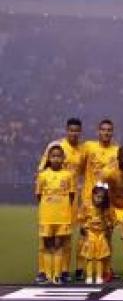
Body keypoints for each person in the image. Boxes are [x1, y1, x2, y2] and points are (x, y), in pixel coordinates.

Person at [36, 118, 84, 283]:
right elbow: (42, 169)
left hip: (70, 199)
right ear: (67, 130)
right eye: (71, 130)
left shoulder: (81, 150)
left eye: (77, 131)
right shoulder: (56, 146)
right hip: (52, 197)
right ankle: (43, 271)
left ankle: (63, 271)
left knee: (66, 239)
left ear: (80, 132)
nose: (74, 133)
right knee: (47, 239)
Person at [78, 119, 119, 281]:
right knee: (85, 235)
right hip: (89, 198)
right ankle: (82, 268)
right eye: (103, 129)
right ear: (98, 131)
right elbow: (78, 165)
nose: (106, 132)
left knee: (107, 235)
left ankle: (106, 269)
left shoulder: (116, 151)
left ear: (112, 132)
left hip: (107, 200)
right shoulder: (89, 146)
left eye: (109, 130)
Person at [35, 145, 76, 284]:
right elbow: (39, 195)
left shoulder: (68, 175)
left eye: (59, 156)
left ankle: (57, 275)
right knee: (47, 245)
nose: (56, 159)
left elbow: (71, 195)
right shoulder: (43, 175)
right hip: (47, 216)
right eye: (53, 156)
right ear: (49, 158)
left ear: (63, 158)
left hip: (62, 217)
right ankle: (47, 275)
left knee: (59, 245)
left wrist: (62, 206)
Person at [78, 183, 115, 285]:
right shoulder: (86, 205)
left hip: (101, 234)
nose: (99, 199)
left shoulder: (106, 208)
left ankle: (99, 276)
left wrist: (109, 226)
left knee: (100, 257)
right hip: (90, 234)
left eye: (102, 197)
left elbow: (111, 220)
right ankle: (89, 276)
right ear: (93, 195)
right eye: (97, 197)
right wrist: (84, 228)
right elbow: (81, 218)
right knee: (89, 257)